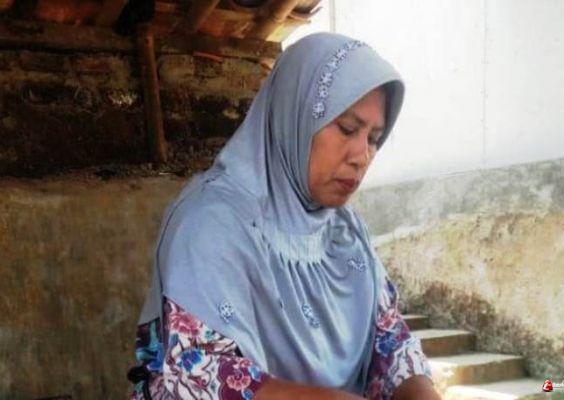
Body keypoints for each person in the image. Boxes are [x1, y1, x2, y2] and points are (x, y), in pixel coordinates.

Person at [129, 32, 441, 400]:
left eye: (374, 138)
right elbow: (204, 376)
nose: (362, 156)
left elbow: (390, 344)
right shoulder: (211, 226)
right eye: (347, 129)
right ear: (295, 117)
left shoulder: (345, 231)